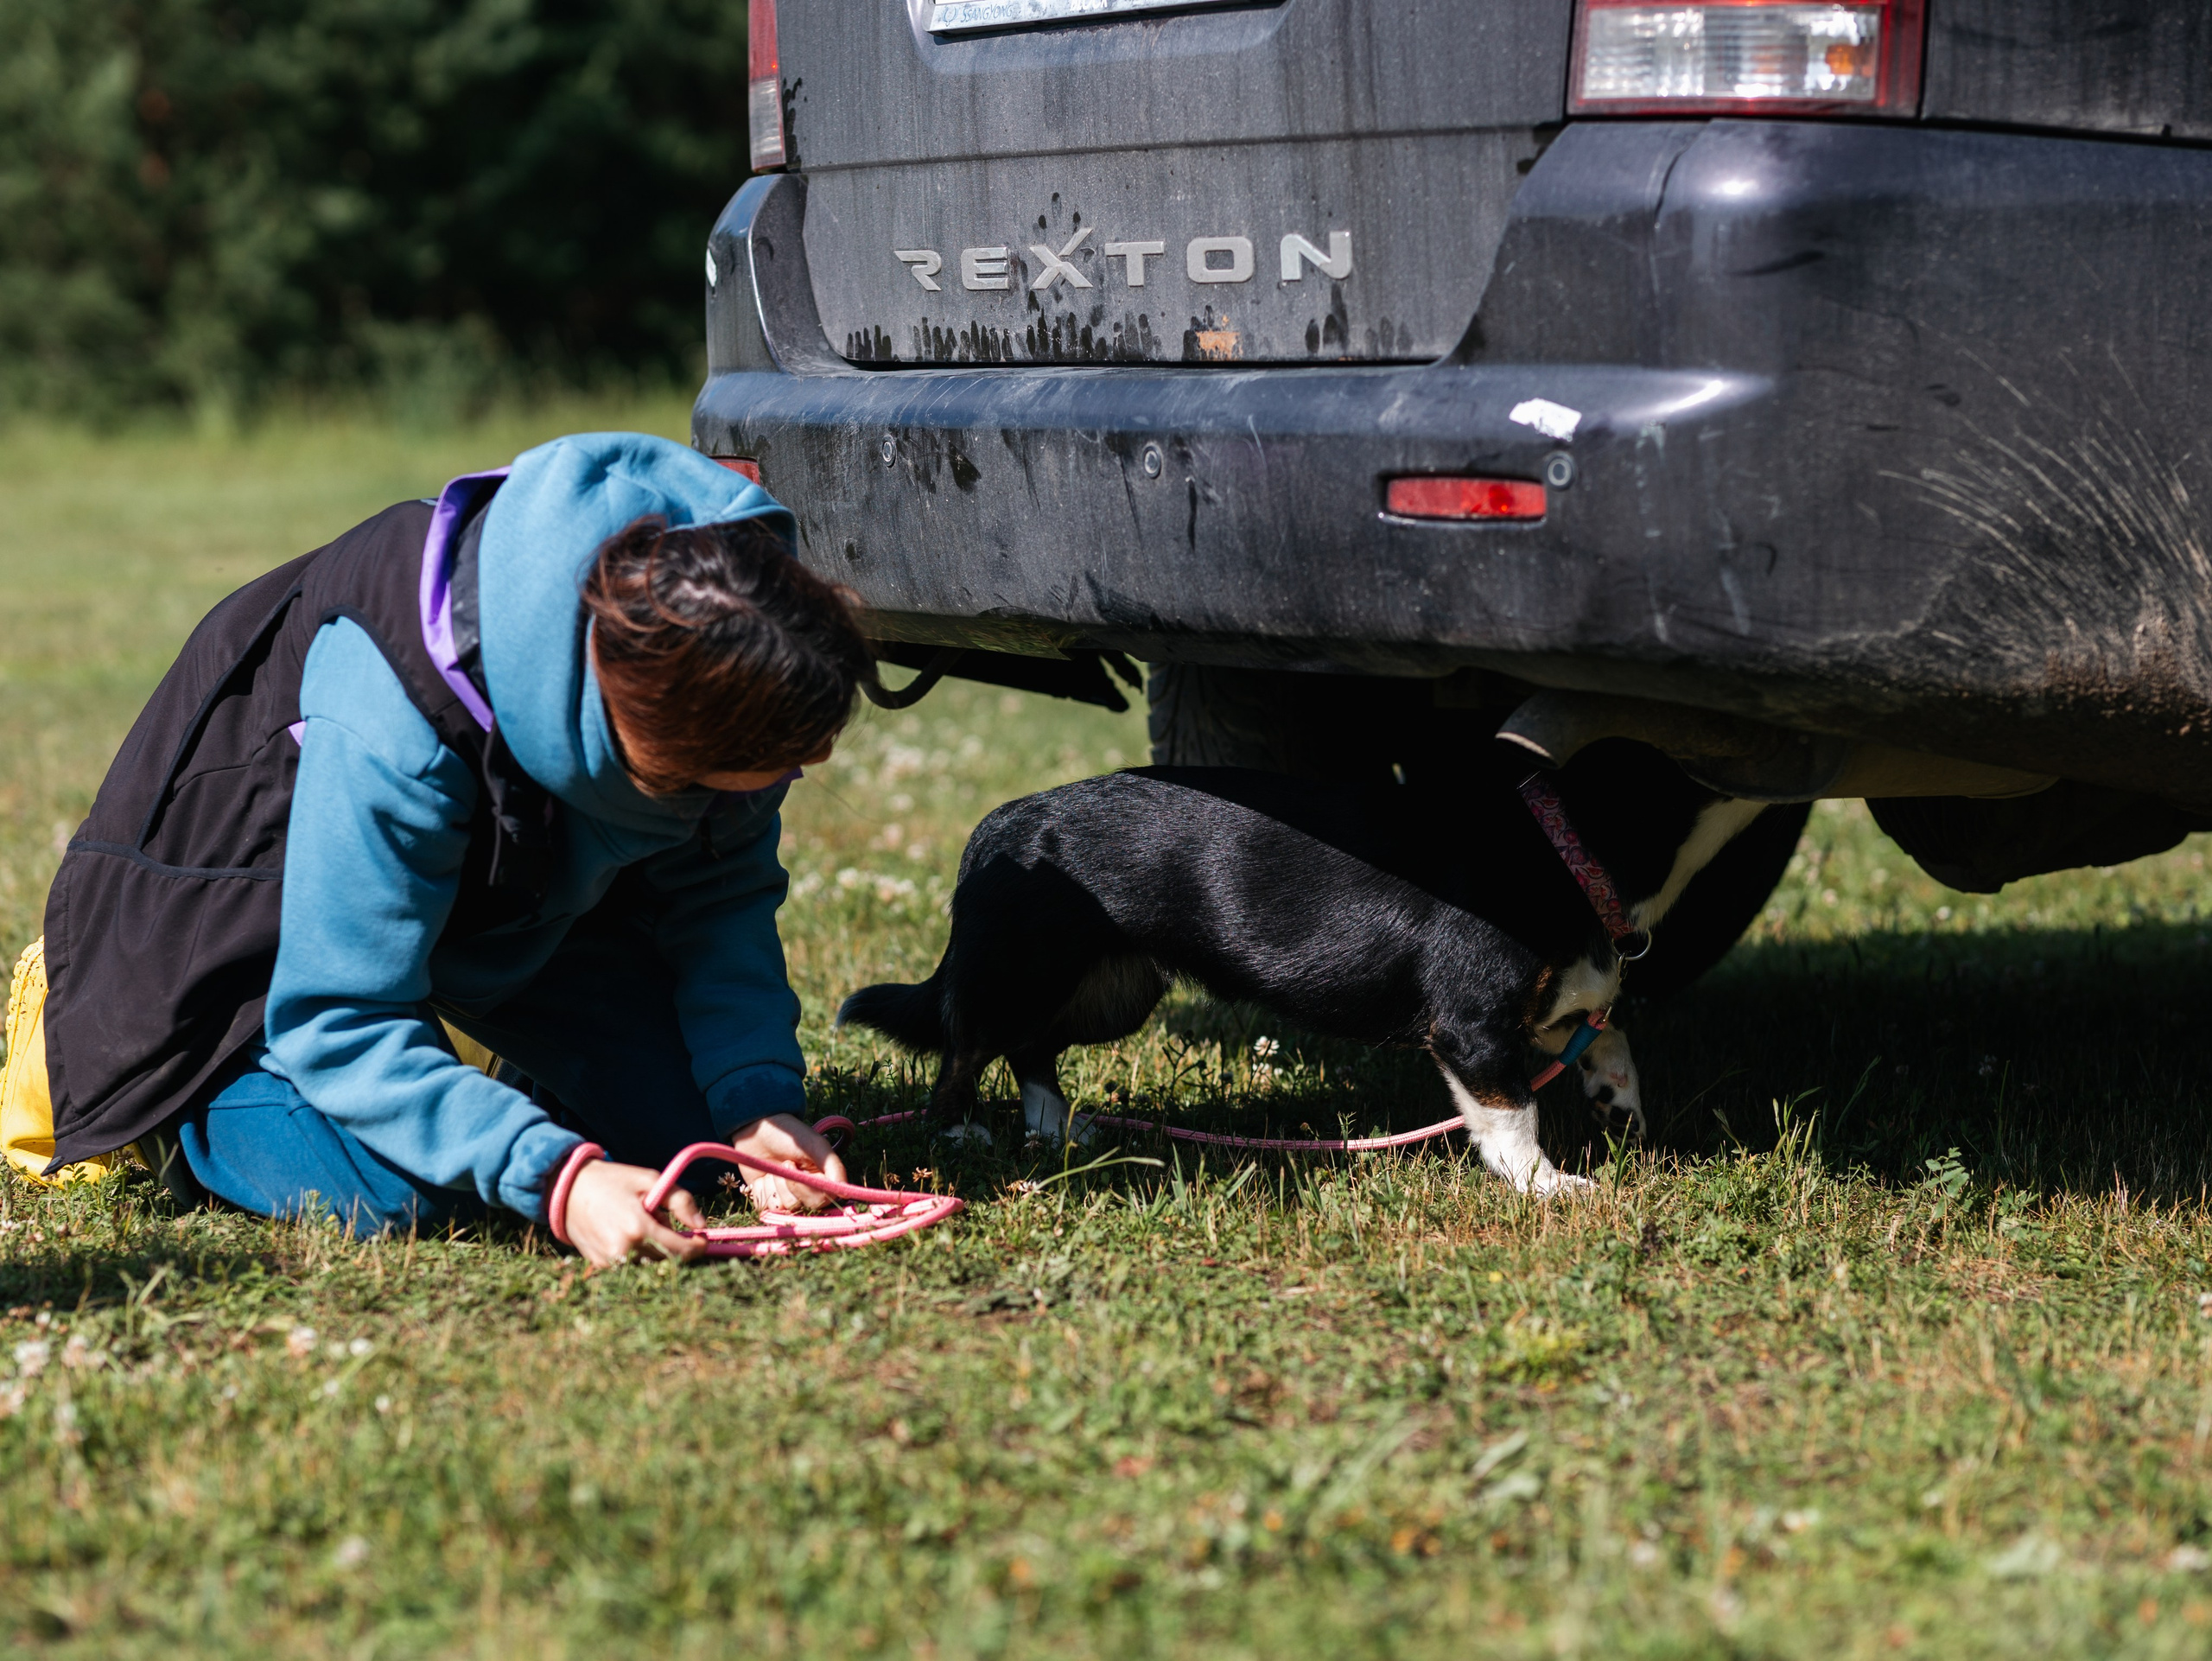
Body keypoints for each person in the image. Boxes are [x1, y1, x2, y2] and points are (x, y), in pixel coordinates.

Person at [37, 432, 874, 1265]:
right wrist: (552, 1175)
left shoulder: (736, 653)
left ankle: (471, 1082)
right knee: (405, 1191)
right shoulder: (395, 710)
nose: (785, 782)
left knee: (686, 1134)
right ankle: (184, 1127)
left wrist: (755, 1104)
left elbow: (718, 900)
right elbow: (338, 1013)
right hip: (234, 969)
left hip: (497, 915)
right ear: (634, 747)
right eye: (747, 778)